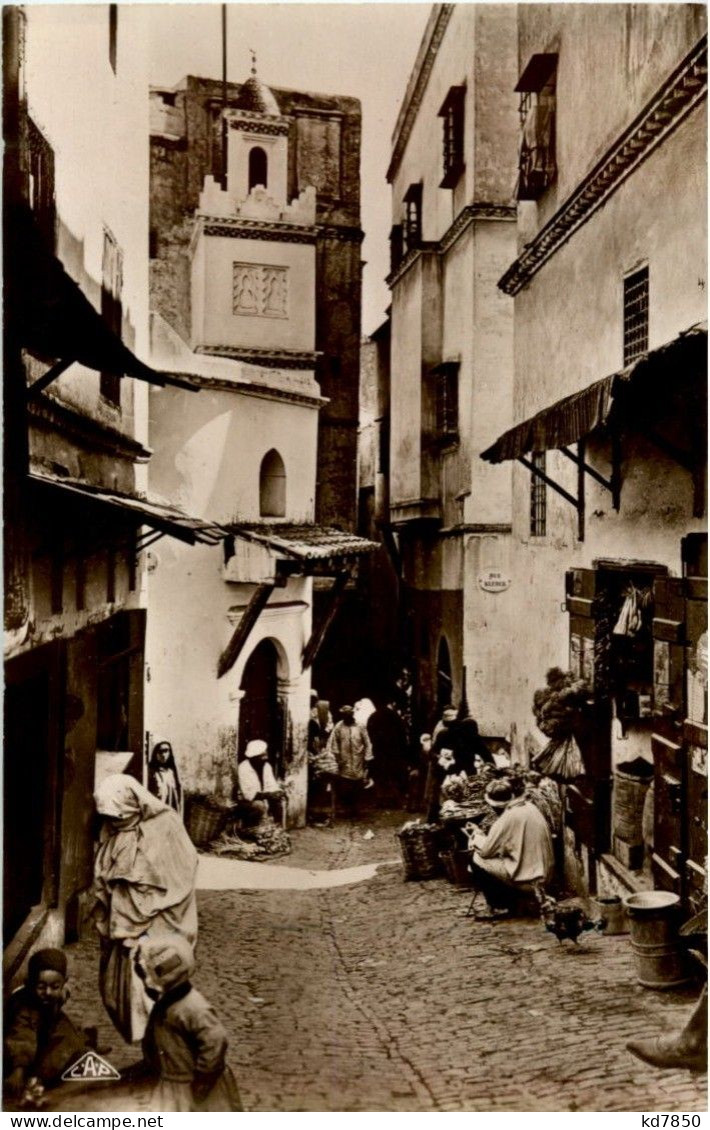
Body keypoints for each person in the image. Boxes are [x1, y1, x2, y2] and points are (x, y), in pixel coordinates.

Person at [93, 774, 198, 1043]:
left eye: (118, 817)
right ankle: (152, 1050)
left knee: (153, 988)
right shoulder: (115, 833)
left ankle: (165, 1053)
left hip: (160, 924)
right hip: (125, 928)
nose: (114, 823)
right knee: (121, 993)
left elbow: (178, 876)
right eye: (110, 818)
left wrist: (145, 907)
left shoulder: (166, 826)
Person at [137, 936, 243, 1112]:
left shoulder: (192, 1007)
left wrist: (203, 1079)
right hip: (172, 1083)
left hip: (192, 1086)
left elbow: (215, 1040)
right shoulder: (168, 1001)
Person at [3, 949, 89, 1101]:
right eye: (41, 987)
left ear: (64, 983)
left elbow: (57, 1019)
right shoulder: (22, 1006)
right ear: (29, 984)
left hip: (43, 1033)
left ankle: (83, 1042)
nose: (48, 992)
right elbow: (22, 1036)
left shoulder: (59, 994)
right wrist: (18, 1069)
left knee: (68, 1035)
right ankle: (37, 1078)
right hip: (17, 1052)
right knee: (64, 1041)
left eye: (55, 987)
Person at [469, 779, 555, 920]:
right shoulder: (531, 807)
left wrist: (477, 836)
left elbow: (486, 852)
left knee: (476, 859)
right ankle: (520, 900)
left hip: (529, 880)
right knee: (495, 859)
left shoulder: (506, 818)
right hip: (545, 873)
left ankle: (499, 905)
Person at [326, 705, 373, 817]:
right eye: (344, 714)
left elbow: (367, 743)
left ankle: (356, 810)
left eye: (349, 714)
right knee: (346, 787)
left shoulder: (360, 726)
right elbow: (334, 744)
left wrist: (367, 759)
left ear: (352, 714)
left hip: (358, 761)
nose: (347, 716)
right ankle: (347, 809)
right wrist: (338, 758)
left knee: (358, 786)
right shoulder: (338, 727)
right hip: (345, 761)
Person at [367, 697, 410, 805]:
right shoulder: (394, 716)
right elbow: (402, 734)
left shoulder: (373, 717)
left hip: (380, 750)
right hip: (393, 751)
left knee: (381, 775)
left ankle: (381, 799)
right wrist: (403, 749)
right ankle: (394, 799)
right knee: (393, 774)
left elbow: (369, 734)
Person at [237, 739, 287, 828]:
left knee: (279, 802)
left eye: (265, 754)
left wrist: (277, 792)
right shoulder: (243, 768)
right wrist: (269, 795)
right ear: (254, 757)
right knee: (258, 806)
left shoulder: (266, 766)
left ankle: (277, 830)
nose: (266, 757)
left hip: (263, 797)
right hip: (245, 802)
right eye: (263, 755)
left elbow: (271, 785)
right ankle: (250, 829)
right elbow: (248, 795)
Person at [147, 740, 183, 816]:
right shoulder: (150, 772)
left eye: (166, 751)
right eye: (160, 751)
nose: (163, 755)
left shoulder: (171, 772)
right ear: (155, 753)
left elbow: (176, 798)